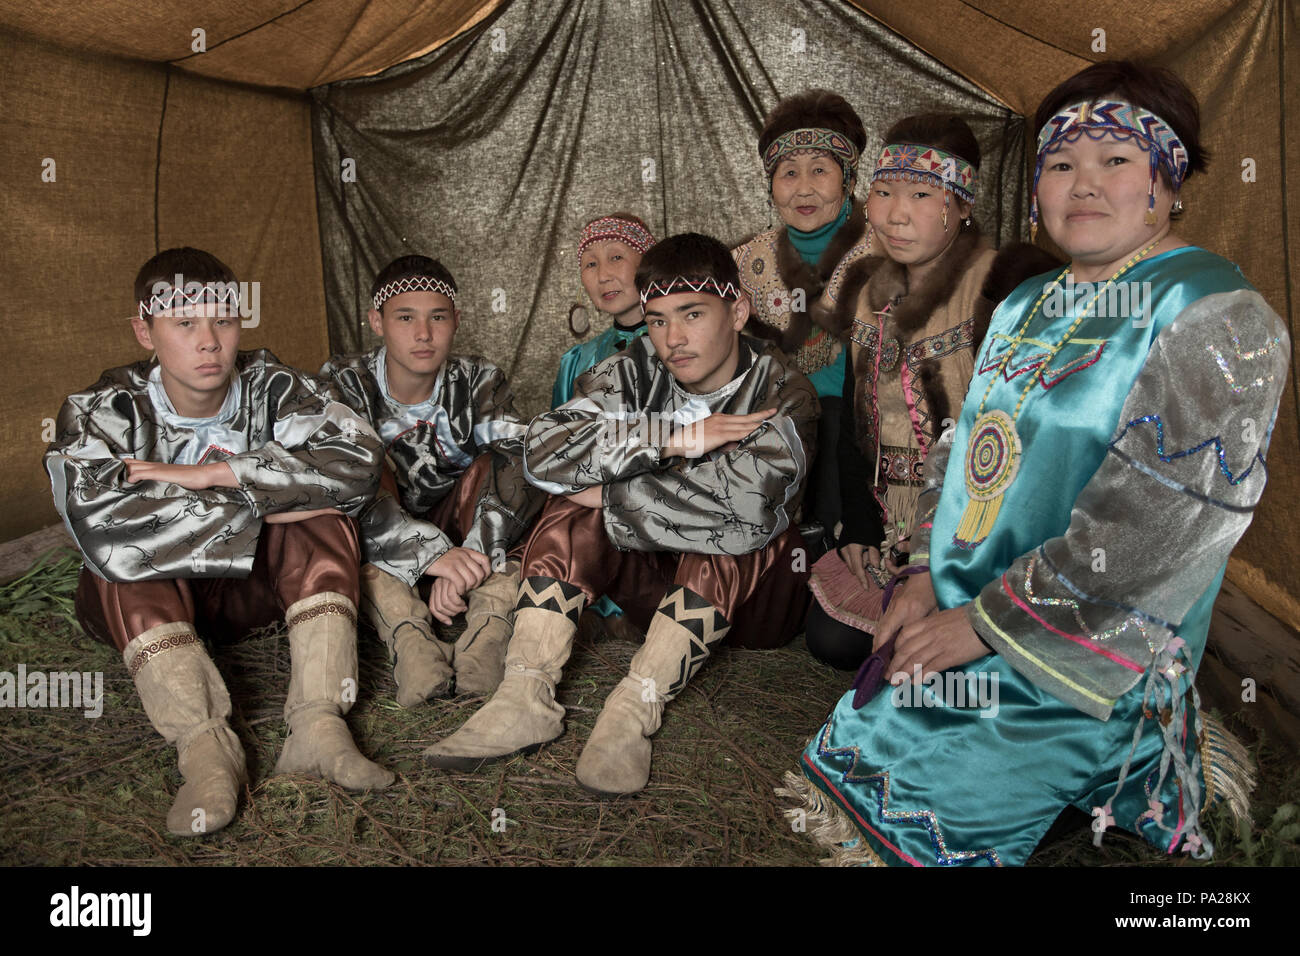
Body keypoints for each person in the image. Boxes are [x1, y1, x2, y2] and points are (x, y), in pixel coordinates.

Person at [781, 61, 1288, 865]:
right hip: (967, 600)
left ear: (1171, 176)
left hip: (1085, 647)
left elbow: (1153, 530)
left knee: (933, 813)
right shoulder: (1029, 302)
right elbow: (963, 446)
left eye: (1115, 161)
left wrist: (985, 626)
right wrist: (918, 571)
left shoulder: (1212, 312)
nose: (1083, 185)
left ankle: (1126, 763)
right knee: (853, 754)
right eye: (1061, 164)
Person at [424, 233, 819, 795]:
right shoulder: (636, 369)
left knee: (721, 524)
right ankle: (524, 694)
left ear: (738, 310)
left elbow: (748, 507)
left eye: (692, 315)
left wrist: (612, 490)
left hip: (758, 604)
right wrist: (672, 438)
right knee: (572, 499)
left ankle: (634, 709)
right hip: (650, 588)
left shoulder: (783, 389)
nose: (672, 339)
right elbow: (543, 448)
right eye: (657, 320)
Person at [46, 247, 393, 838]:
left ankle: (318, 723)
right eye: (185, 324)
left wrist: (216, 474)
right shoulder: (101, 410)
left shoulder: (274, 386)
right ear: (144, 331)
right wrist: (272, 495)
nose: (209, 342)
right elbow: (101, 525)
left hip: (252, 589)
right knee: (121, 559)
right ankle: (205, 750)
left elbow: (360, 462)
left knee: (323, 521)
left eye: (224, 322)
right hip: (145, 604)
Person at [805, 114, 1059, 670]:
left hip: (975, 521)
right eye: (883, 192)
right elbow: (852, 418)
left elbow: (1033, 441)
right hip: (886, 508)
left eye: (922, 194)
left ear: (963, 206)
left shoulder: (1002, 288)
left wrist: (944, 546)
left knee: (909, 646)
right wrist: (861, 525)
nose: (896, 214)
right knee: (832, 641)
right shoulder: (868, 289)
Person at [319, 256, 545, 702]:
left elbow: (518, 460)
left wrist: (464, 562)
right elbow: (335, 476)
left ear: (456, 321)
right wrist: (429, 554)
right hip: (382, 531)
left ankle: (486, 634)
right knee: (362, 466)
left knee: (511, 457)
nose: (423, 334)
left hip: (462, 530)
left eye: (437, 317)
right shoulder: (346, 382)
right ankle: (410, 639)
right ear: (376, 321)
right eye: (405, 317)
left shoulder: (479, 380)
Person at [732, 89, 879, 554]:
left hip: (862, 433)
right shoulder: (743, 264)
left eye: (820, 170)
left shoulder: (889, 251)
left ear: (848, 178)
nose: (804, 188)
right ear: (770, 186)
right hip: (774, 424)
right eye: (788, 173)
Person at [552, 213, 657, 407]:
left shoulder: (680, 347)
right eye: (591, 264)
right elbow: (557, 433)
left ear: (648, 264)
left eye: (616, 257)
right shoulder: (576, 363)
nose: (602, 276)